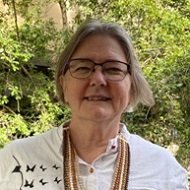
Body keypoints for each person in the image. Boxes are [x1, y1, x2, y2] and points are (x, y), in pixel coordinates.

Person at [0, 19, 188, 190]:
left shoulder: (165, 172)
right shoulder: (14, 161)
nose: (98, 80)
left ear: (131, 87)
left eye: (113, 68)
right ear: (63, 84)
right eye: (83, 68)